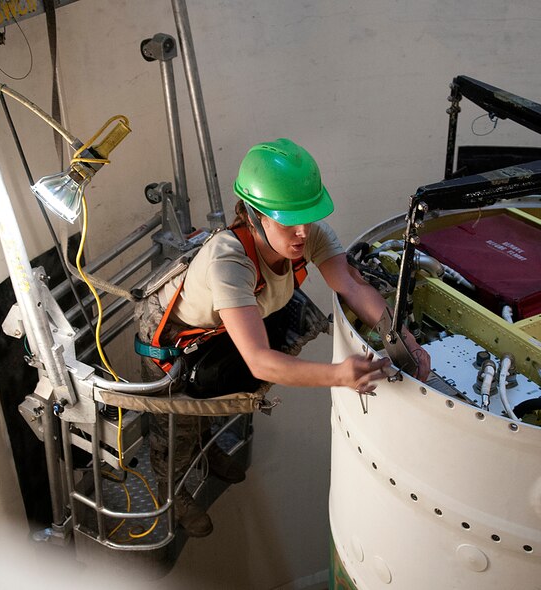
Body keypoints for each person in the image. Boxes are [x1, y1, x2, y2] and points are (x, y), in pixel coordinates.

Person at [136, 138, 430, 537]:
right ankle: (171, 490)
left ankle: (208, 450)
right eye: (289, 220)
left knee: (216, 401)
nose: (302, 232)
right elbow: (259, 360)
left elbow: (352, 286)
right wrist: (339, 375)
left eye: (307, 217)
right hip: (174, 342)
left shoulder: (307, 233)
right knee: (179, 421)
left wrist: (404, 340)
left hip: (224, 329)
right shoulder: (229, 262)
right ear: (255, 216)